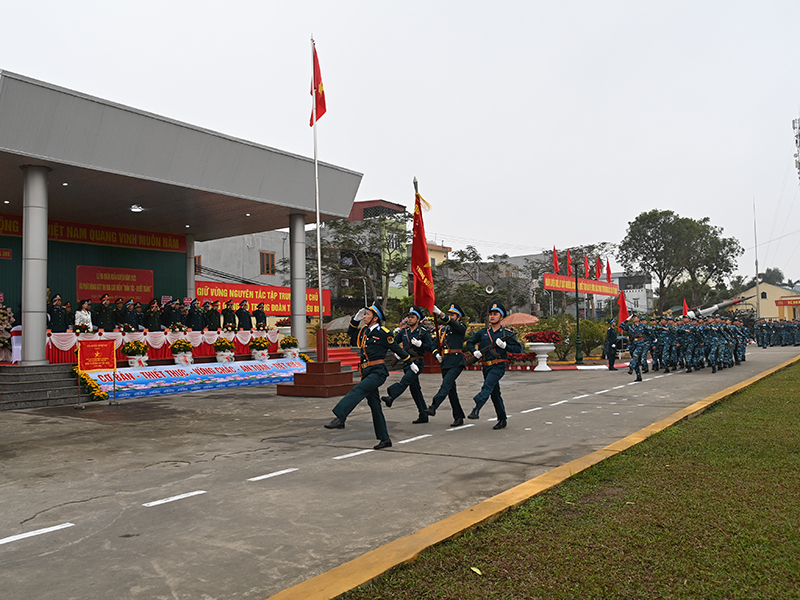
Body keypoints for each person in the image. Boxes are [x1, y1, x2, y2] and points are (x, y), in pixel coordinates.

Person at [324, 302, 415, 450]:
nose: (364, 316)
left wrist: (410, 362)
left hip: (378, 372)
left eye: (367, 314)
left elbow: (396, 348)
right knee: (375, 407)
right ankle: (385, 439)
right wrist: (355, 320)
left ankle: (340, 417)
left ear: (375, 318)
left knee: (358, 390)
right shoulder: (364, 331)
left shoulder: (384, 333)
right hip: (366, 372)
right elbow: (350, 335)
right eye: (364, 314)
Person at [465, 302, 522, 429]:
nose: (492, 316)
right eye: (491, 314)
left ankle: (476, 409)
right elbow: (470, 342)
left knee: (487, 386)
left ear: (501, 317)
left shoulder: (505, 334)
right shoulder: (483, 332)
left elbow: (518, 349)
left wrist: (505, 346)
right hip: (486, 366)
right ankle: (502, 419)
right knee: (494, 393)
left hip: (498, 365)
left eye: (495, 314)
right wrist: (475, 352)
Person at [381, 305, 434, 424]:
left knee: (405, 381)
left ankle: (391, 396)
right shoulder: (403, 332)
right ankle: (423, 414)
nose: (410, 319)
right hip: (406, 362)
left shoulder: (423, 332)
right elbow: (393, 343)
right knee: (415, 390)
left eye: (413, 317)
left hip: (417, 362)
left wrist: (421, 345)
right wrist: (398, 354)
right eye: (409, 317)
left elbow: (431, 347)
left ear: (418, 319)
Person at [424, 302, 468, 427]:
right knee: (451, 391)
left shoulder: (461, 327)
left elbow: (453, 324)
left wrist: (442, 315)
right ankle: (458, 416)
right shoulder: (443, 330)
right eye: (449, 314)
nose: (450, 316)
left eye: (452, 315)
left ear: (458, 317)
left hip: (456, 362)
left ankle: (433, 406)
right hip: (445, 363)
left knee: (445, 385)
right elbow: (434, 344)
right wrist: (436, 354)